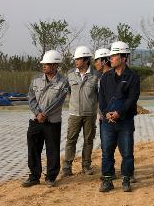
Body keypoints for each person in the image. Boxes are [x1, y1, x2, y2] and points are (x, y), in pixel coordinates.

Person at [22, 50, 69, 188]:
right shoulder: (36, 80)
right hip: (35, 121)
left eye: (47, 64)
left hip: (52, 123)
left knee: (52, 149)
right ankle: (34, 176)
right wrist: (37, 113)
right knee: (33, 148)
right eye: (43, 64)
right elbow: (30, 97)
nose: (44, 66)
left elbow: (59, 102)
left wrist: (45, 114)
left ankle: (51, 177)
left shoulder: (63, 82)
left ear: (55, 66)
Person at [98, 41, 140, 192]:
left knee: (127, 153)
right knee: (106, 152)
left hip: (125, 122)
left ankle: (126, 179)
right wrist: (105, 113)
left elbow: (132, 99)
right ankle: (107, 180)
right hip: (107, 122)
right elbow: (101, 98)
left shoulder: (133, 77)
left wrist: (119, 113)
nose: (111, 58)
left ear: (124, 57)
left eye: (115, 55)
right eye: (111, 55)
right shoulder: (105, 77)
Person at [62, 46, 100, 177]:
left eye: (78, 59)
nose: (76, 62)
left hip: (90, 114)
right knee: (71, 140)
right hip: (74, 114)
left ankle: (86, 166)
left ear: (85, 60)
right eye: (76, 59)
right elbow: (67, 91)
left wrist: (99, 112)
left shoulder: (96, 75)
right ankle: (67, 167)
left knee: (88, 140)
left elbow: (99, 95)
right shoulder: (70, 74)